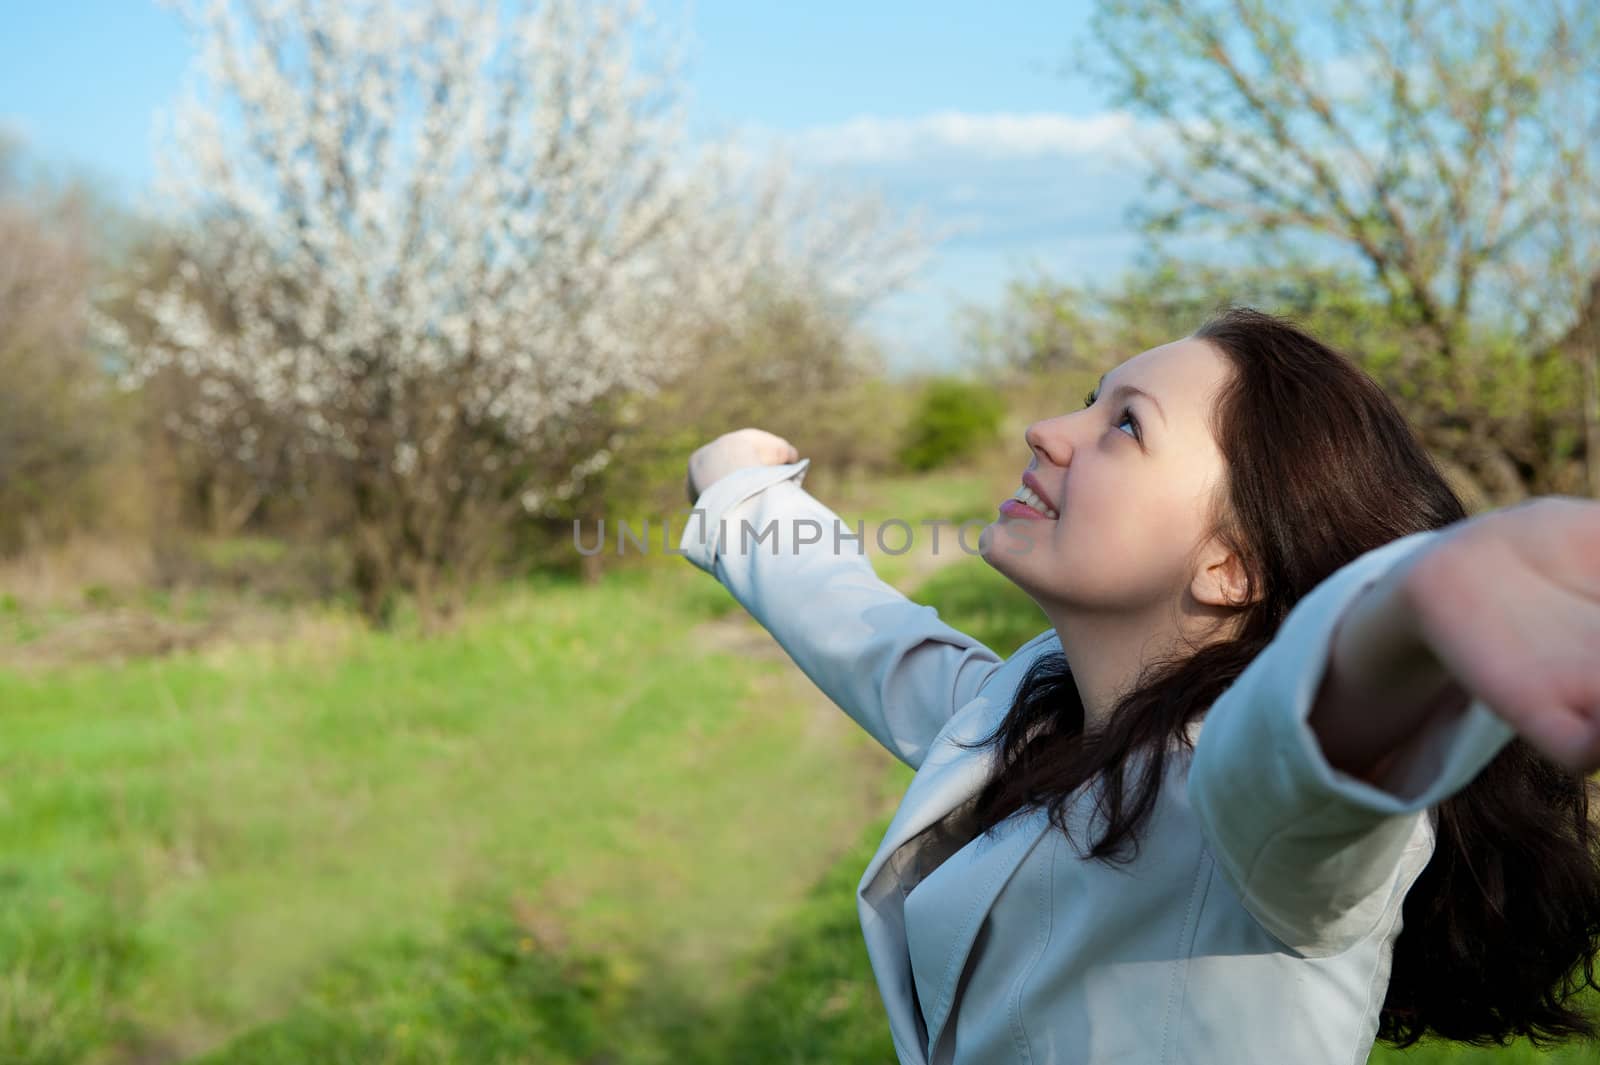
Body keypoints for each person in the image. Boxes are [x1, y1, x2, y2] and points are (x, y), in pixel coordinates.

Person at [679, 307, 1600, 1065]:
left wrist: (1415, 615)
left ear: (1231, 564)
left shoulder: (1245, 805)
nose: (1047, 431)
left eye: (1125, 423)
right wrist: (749, 501)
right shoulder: (1041, 717)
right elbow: (882, 644)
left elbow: (1314, 743)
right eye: (1092, 400)